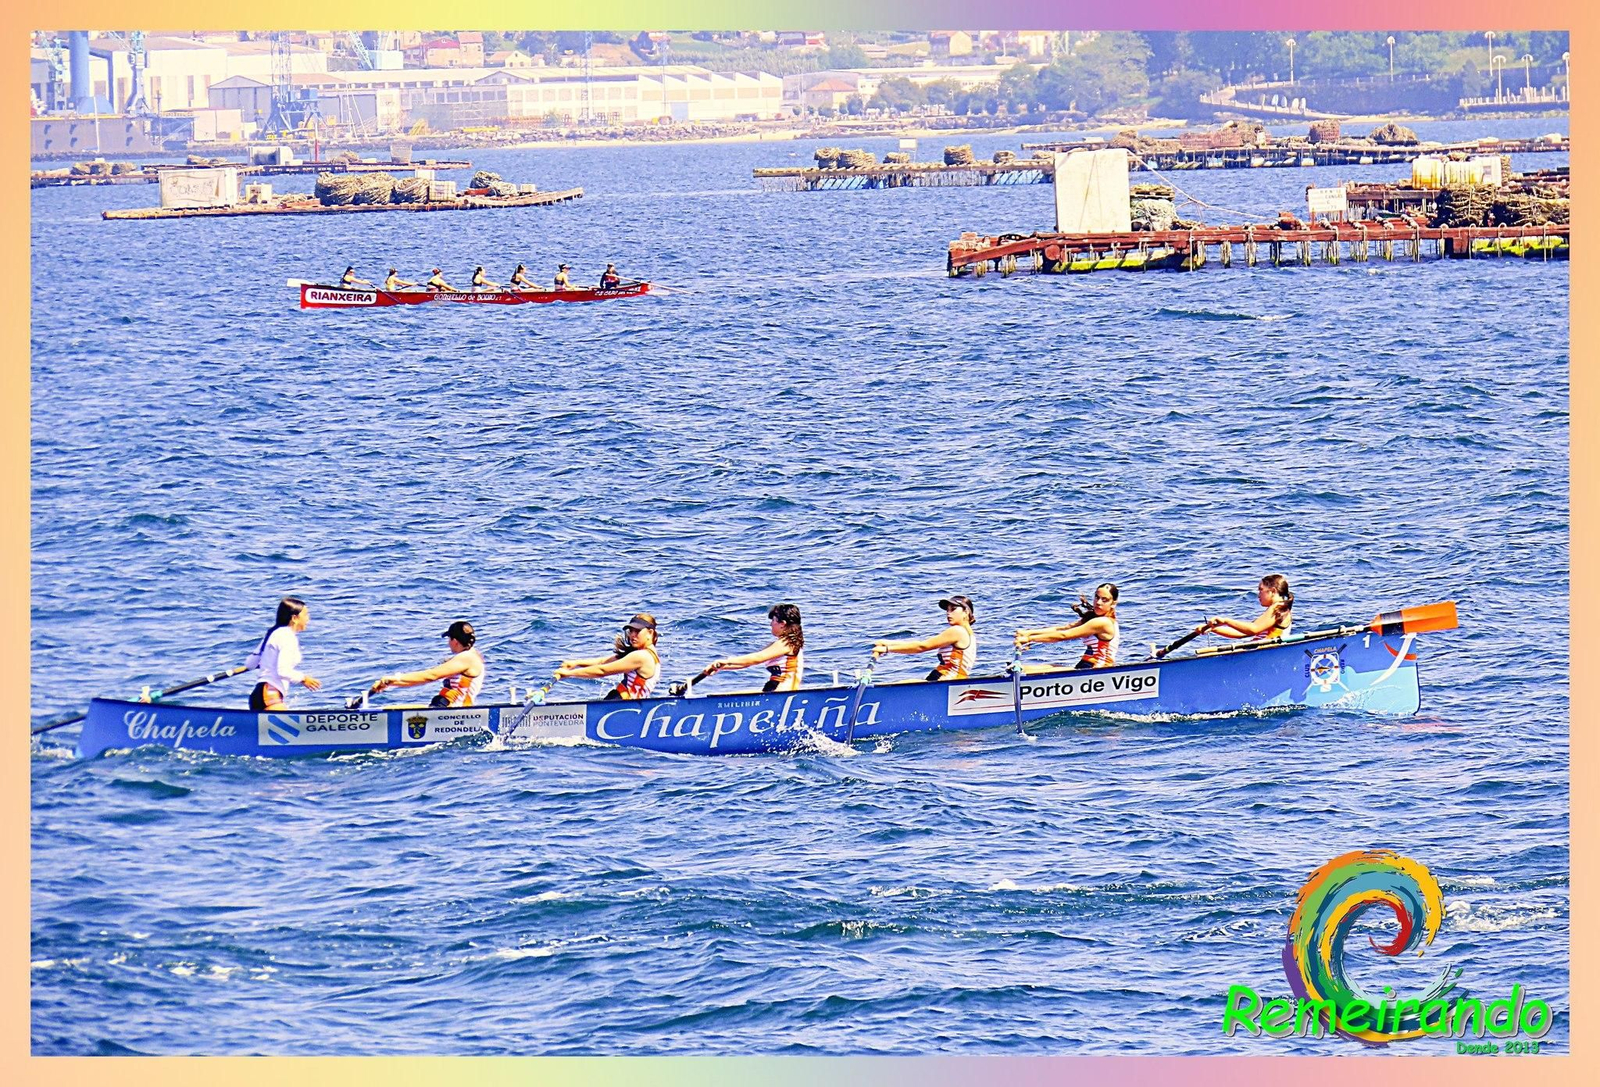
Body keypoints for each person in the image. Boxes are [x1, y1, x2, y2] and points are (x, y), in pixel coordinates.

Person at [368, 621, 486, 708]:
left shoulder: (466, 658)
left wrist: (395, 678)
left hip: (453, 712)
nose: (448, 643)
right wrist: (391, 683)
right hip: (445, 709)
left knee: (389, 710)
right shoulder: (470, 656)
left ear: (454, 641)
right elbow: (423, 679)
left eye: (449, 639)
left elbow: (430, 676)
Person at [1014, 583, 1121, 670]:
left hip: (1098, 670)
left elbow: (1063, 635)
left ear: (1113, 603)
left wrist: (1029, 639)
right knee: (1042, 668)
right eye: (1097, 597)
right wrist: (1029, 633)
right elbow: (1062, 629)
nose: (1098, 602)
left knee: (1045, 671)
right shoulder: (1093, 618)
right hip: (1086, 665)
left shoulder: (1103, 623)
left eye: (1104, 599)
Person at [554, 613, 661, 699]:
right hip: (623, 704)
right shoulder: (649, 654)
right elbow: (602, 662)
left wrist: (568, 674)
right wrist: (576, 663)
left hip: (622, 706)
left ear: (650, 633)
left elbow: (602, 671)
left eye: (637, 631)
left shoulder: (642, 656)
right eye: (631, 631)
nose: (632, 635)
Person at [703, 604, 805, 693]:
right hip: (773, 690)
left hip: (781, 693)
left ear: (782, 624)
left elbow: (757, 658)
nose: (771, 624)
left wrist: (726, 661)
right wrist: (720, 667)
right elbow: (748, 662)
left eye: (773, 620)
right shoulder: (783, 644)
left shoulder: (786, 643)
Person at [244, 597, 322, 710]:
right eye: (306, 615)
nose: (308, 619)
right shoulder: (287, 637)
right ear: (294, 618)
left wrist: (268, 660)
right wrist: (304, 679)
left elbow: (250, 664)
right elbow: (283, 671)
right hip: (270, 695)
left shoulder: (272, 634)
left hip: (259, 694)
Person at [873, 596, 977, 681]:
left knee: (900, 686)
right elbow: (920, 644)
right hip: (946, 680)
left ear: (966, 612)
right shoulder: (969, 634)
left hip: (946, 681)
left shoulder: (957, 631)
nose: (948, 613)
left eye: (953, 609)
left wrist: (887, 649)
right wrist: (888, 643)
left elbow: (922, 646)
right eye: (947, 610)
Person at [1201, 574, 1294, 642]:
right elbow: (1244, 632)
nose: (1258, 595)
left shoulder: (1278, 608)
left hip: (1263, 655)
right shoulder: (1278, 608)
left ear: (1273, 591)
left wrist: (1226, 621)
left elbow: (1253, 629)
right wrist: (1213, 629)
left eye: (1261, 590)